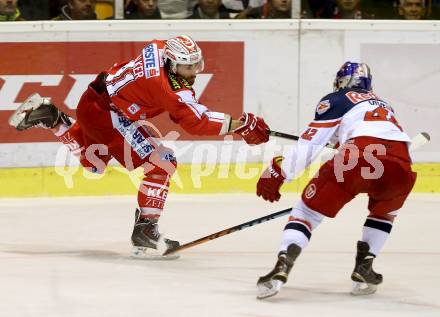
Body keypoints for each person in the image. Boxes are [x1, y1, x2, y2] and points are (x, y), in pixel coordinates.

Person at [9, 35, 270, 259]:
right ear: (171, 64)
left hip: (97, 102)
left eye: (196, 65)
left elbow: (182, 105)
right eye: (188, 67)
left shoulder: (160, 48)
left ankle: (53, 118)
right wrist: (240, 125)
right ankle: (146, 228)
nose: (194, 73)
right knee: (162, 162)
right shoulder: (165, 87)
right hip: (108, 114)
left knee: (94, 164)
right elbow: (195, 120)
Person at [255, 62, 416, 299]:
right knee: (383, 214)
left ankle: (283, 263)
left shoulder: (337, 99)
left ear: (341, 81)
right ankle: (365, 265)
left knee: (306, 213)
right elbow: (377, 137)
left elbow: (310, 145)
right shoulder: (384, 104)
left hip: (357, 156)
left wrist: (280, 172)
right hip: (401, 163)